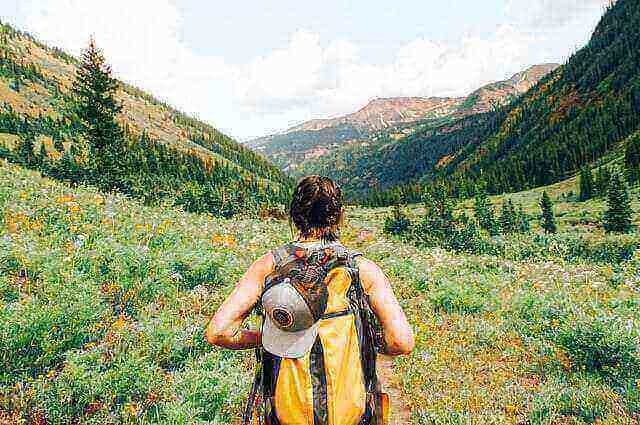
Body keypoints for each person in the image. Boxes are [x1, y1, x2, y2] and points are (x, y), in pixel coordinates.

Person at [206, 175, 414, 425]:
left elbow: (219, 332)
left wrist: (271, 337)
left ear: (293, 216)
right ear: (340, 216)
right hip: (351, 413)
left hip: (287, 411)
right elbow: (401, 342)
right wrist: (367, 340)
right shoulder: (363, 270)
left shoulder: (268, 266)